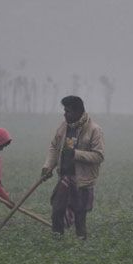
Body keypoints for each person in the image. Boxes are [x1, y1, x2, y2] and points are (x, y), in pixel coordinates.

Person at [41, 96, 104, 239]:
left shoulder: (94, 130)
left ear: (78, 112)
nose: (65, 114)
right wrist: (48, 166)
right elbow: (54, 147)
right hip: (65, 177)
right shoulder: (64, 126)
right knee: (57, 210)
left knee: (80, 216)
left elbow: (98, 156)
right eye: (64, 110)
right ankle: (57, 241)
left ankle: (81, 246)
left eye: (68, 111)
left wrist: (76, 154)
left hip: (83, 180)